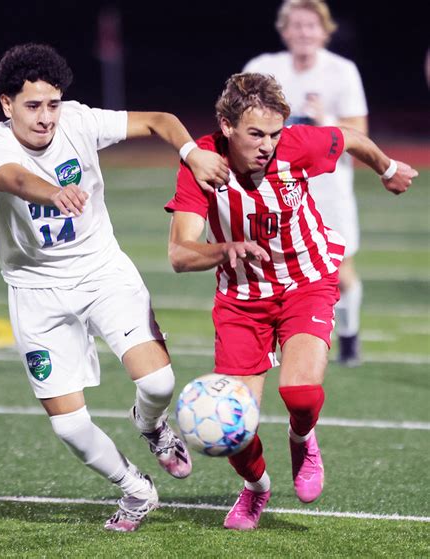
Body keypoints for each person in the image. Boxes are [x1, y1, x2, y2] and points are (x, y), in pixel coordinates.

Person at [0, 43, 229, 533]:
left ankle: (151, 425)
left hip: (102, 273)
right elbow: (12, 179)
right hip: (36, 292)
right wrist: (53, 191)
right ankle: (135, 489)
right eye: (33, 106)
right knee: (69, 425)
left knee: (158, 384)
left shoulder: (79, 120)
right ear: (7, 105)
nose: (47, 117)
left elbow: (159, 119)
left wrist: (193, 154)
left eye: (53, 103)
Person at [165, 72, 417, 530]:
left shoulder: (297, 145)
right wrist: (225, 251)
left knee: (300, 393)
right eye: (255, 134)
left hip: (307, 281)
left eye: (274, 134)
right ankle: (256, 490)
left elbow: (349, 137)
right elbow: (180, 253)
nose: (267, 145)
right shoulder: (202, 165)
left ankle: (303, 439)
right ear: (226, 125)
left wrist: (386, 168)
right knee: (234, 430)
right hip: (242, 299)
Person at [243, 0, 368, 366]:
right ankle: (271, 340)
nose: (303, 32)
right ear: (284, 30)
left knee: (340, 272)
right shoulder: (263, 68)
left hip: (328, 187)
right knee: (271, 266)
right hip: (275, 188)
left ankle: (348, 335)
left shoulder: (342, 72)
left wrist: (323, 118)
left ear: (325, 31)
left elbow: (359, 137)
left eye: (311, 25)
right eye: (296, 25)